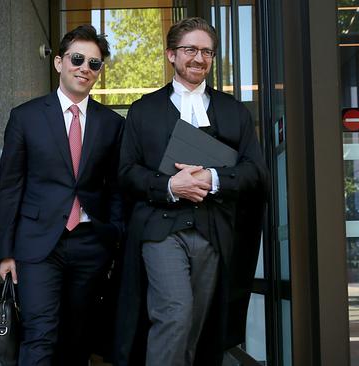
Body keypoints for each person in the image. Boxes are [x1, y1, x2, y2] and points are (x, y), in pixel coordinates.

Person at [114, 17, 269, 366]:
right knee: (175, 314)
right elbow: (125, 173)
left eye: (207, 52)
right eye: (190, 50)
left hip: (214, 230)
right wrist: (169, 185)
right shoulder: (143, 110)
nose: (199, 58)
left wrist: (213, 178)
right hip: (160, 229)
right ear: (171, 54)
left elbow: (255, 172)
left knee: (197, 327)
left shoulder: (234, 111)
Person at [0, 24, 124, 366]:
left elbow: (116, 187)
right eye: (77, 59)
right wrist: (5, 253)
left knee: (77, 340)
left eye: (94, 63)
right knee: (40, 333)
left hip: (90, 245)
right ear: (58, 63)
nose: (85, 68)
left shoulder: (112, 124)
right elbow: (10, 188)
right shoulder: (24, 118)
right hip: (37, 246)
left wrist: (114, 235)